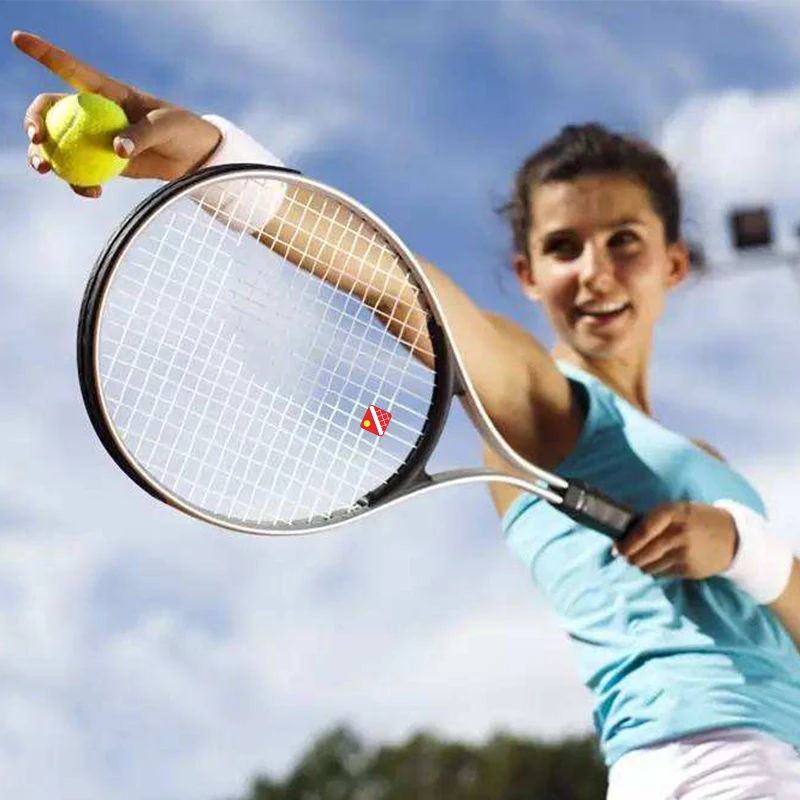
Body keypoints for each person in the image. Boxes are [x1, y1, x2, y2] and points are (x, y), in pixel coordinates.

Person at [13, 29, 800, 799]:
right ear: (528, 275)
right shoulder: (545, 406)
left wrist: (743, 547)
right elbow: (397, 285)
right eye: (565, 247)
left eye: (624, 241)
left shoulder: (702, 457)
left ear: (675, 262)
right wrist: (221, 164)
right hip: (711, 765)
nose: (595, 272)